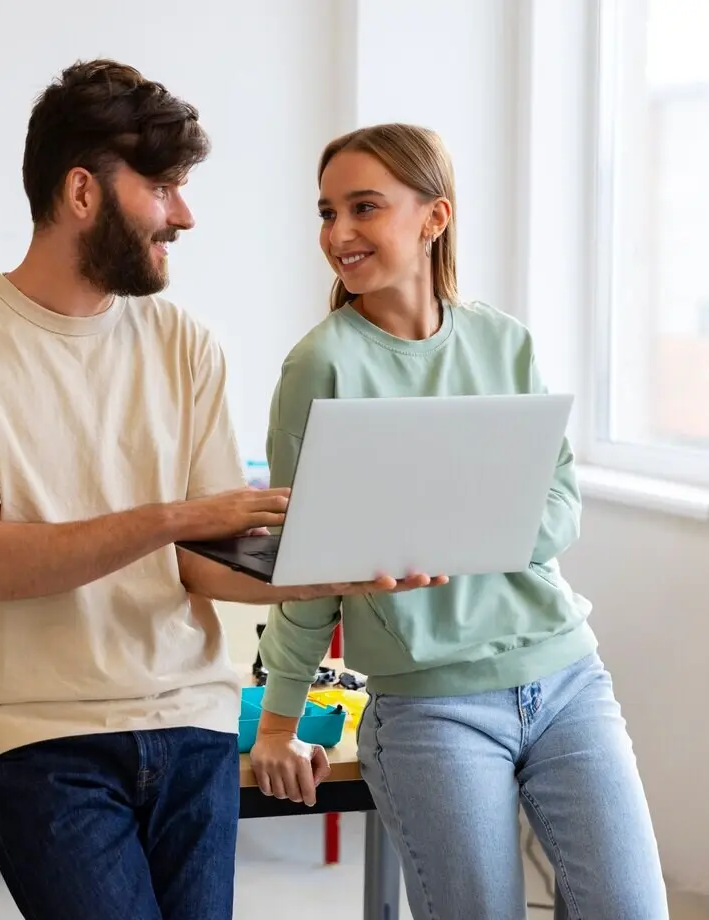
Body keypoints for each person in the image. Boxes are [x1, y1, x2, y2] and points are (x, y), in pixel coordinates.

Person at [0, 63, 439, 920]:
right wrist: (177, 517)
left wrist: (342, 570)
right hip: (41, 734)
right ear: (82, 191)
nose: (183, 214)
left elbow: (202, 566)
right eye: (163, 187)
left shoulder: (186, 341)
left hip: (192, 720)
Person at [250, 122, 669, 919]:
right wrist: (280, 722)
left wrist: (451, 534)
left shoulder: (503, 343)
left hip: (566, 675)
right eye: (327, 211)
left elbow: (561, 505)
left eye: (363, 207)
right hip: (430, 704)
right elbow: (302, 562)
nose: (338, 233)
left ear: (433, 217)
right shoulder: (322, 364)